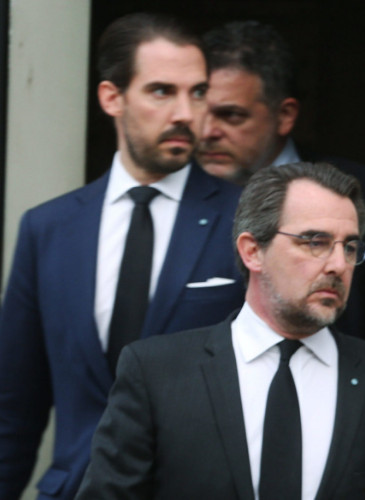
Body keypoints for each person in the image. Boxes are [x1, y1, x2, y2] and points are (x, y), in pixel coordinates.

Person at [0, 13, 245, 500]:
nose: (186, 113)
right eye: (162, 91)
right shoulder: (48, 228)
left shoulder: (247, 221)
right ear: (112, 97)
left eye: (197, 92)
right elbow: (14, 406)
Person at [76, 162, 365, 500]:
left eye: (349, 247)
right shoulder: (157, 374)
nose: (338, 265)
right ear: (253, 251)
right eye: (315, 242)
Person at [196, 20, 365, 357]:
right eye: (200, 112)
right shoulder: (171, 198)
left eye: (231, 115)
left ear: (285, 115)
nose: (207, 131)